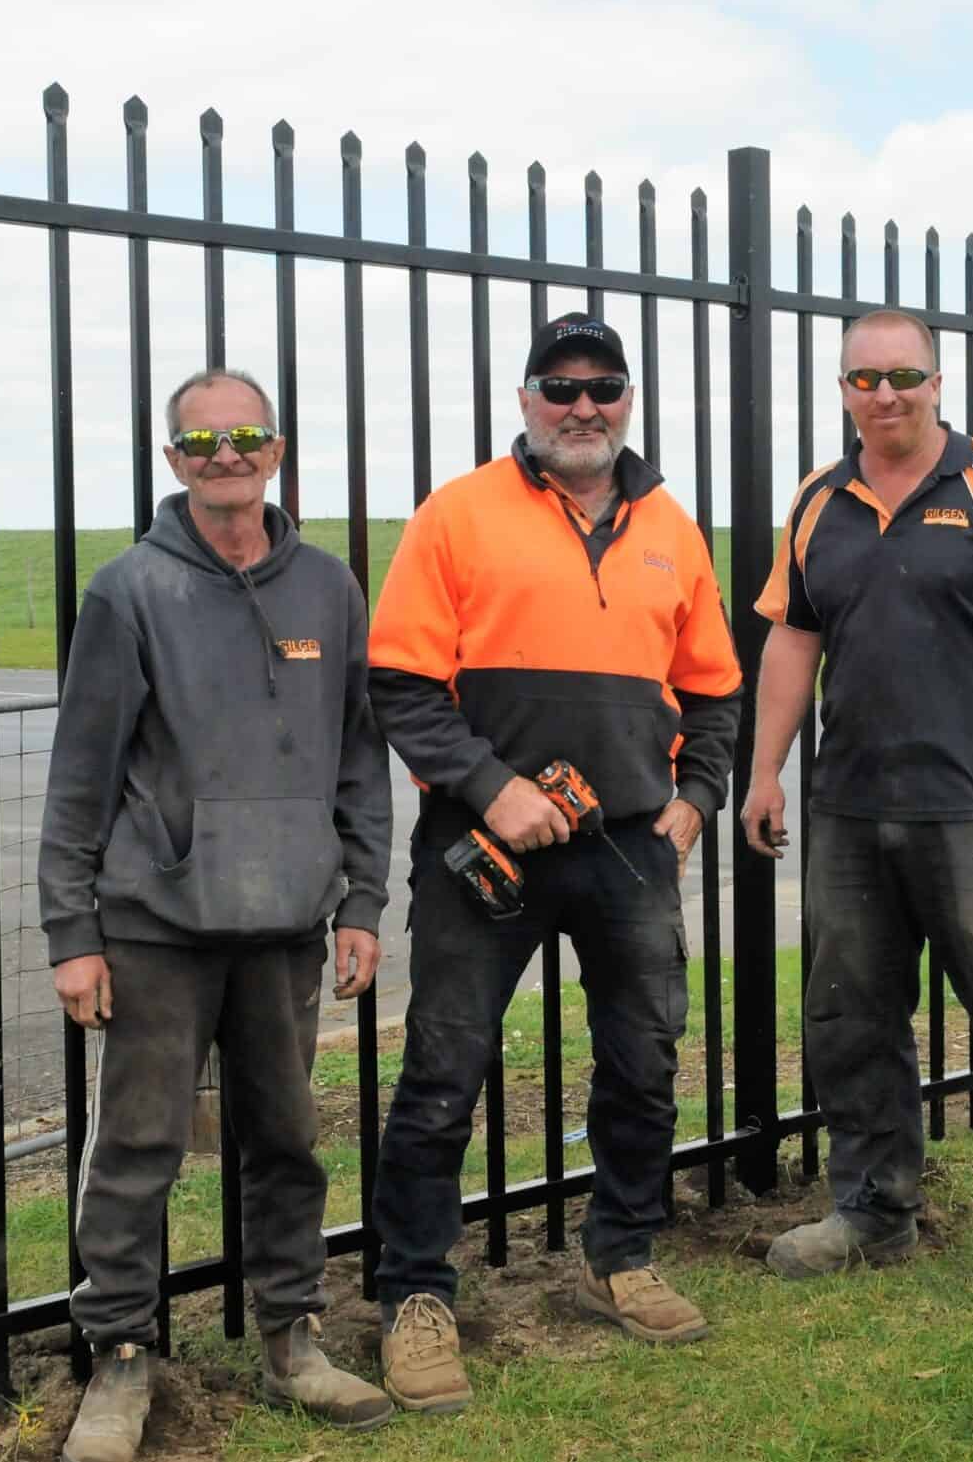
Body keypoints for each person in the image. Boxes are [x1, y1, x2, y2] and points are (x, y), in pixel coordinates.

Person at [367, 311, 742, 1409]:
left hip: (629, 844)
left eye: (602, 386)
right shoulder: (456, 513)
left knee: (644, 1057)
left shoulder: (671, 526)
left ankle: (620, 1255)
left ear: (628, 400)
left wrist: (694, 801)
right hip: (481, 843)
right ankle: (414, 1293)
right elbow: (401, 684)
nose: (583, 405)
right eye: (560, 385)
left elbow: (714, 690)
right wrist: (492, 786)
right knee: (445, 1067)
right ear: (525, 399)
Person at [39, 370, 395, 1462]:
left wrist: (362, 899)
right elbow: (80, 773)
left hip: (286, 922)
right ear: (173, 461)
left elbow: (358, 757)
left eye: (244, 436)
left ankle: (291, 1336)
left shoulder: (329, 588)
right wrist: (72, 932)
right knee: (138, 1143)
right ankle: (120, 1355)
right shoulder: (129, 591)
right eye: (201, 442)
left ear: (276, 450)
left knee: (286, 1139)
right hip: (157, 923)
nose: (225, 455)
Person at [739, 307, 973, 1323]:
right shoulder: (819, 501)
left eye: (903, 375)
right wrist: (765, 771)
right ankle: (874, 1211)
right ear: (843, 390)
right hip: (848, 811)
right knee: (850, 1018)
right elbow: (791, 638)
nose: (885, 394)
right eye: (864, 378)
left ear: (936, 382)